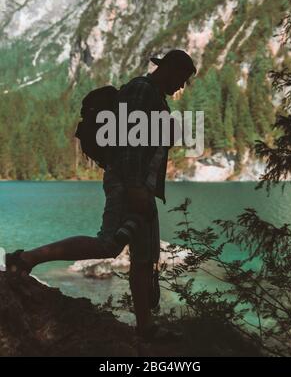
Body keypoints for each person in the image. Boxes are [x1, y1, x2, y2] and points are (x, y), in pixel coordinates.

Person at [6, 49, 196, 342]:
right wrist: (134, 188)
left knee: (143, 258)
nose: (180, 87)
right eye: (180, 79)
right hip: (128, 185)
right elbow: (128, 143)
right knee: (109, 244)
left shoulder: (153, 96)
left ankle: (145, 327)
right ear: (168, 69)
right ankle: (26, 259)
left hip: (141, 189)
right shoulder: (142, 91)